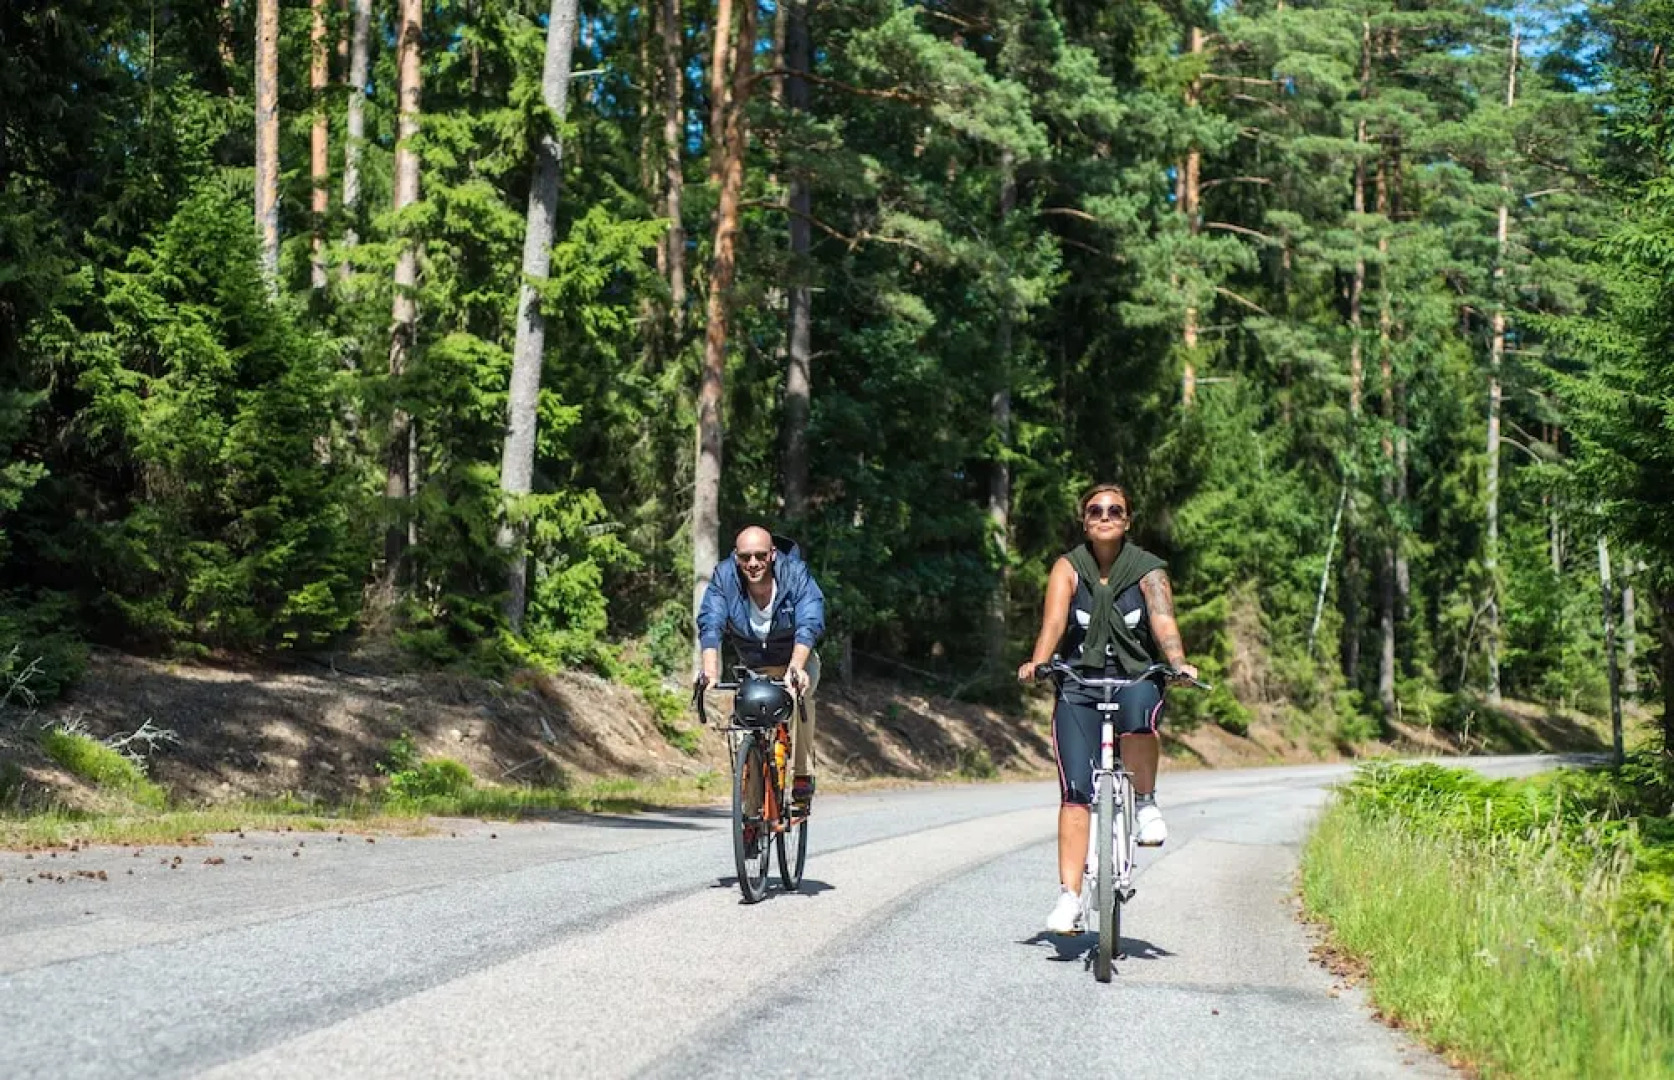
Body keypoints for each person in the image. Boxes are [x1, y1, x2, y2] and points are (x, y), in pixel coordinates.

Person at [1017, 483, 1198, 935]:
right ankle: (1069, 898)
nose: (1104, 515)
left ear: (1128, 520)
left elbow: (1162, 621)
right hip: (1079, 678)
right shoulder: (1067, 569)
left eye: (1115, 509)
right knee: (1075, 790)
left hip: (1135, 673)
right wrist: (1039, 663)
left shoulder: (1148, 571)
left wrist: (1177, 664)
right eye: (1095, 510)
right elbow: (1055, 622)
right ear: (1084, 520)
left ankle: (1147, 803)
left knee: (1138, 719)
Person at [695, 526, 827, 812]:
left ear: (772, 554)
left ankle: (802, 775)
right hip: (755, 666)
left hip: (798, 659)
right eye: (745, 557)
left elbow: (810, 618)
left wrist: (796, 667)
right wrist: (709, 670)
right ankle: (753, 815)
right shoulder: (725, 577)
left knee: (801, 699)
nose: (753, 563)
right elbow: (711, 620)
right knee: (747, 731)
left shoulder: (794, 574)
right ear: (736, 557)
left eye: (759, 556)